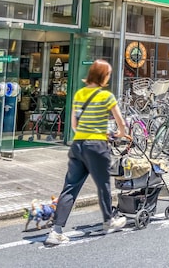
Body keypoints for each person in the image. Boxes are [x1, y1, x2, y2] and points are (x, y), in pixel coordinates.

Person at [46, 59, 128, 246]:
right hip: (96, 146)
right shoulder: (106, 96)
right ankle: (109, 221)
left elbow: (75, 125)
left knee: (70, 187)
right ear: (103, 77)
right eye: (107, 74)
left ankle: (56, 231)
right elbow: (121, 123)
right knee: (103, 184)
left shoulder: (79, 94)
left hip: (78, 145)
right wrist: (119, 134)